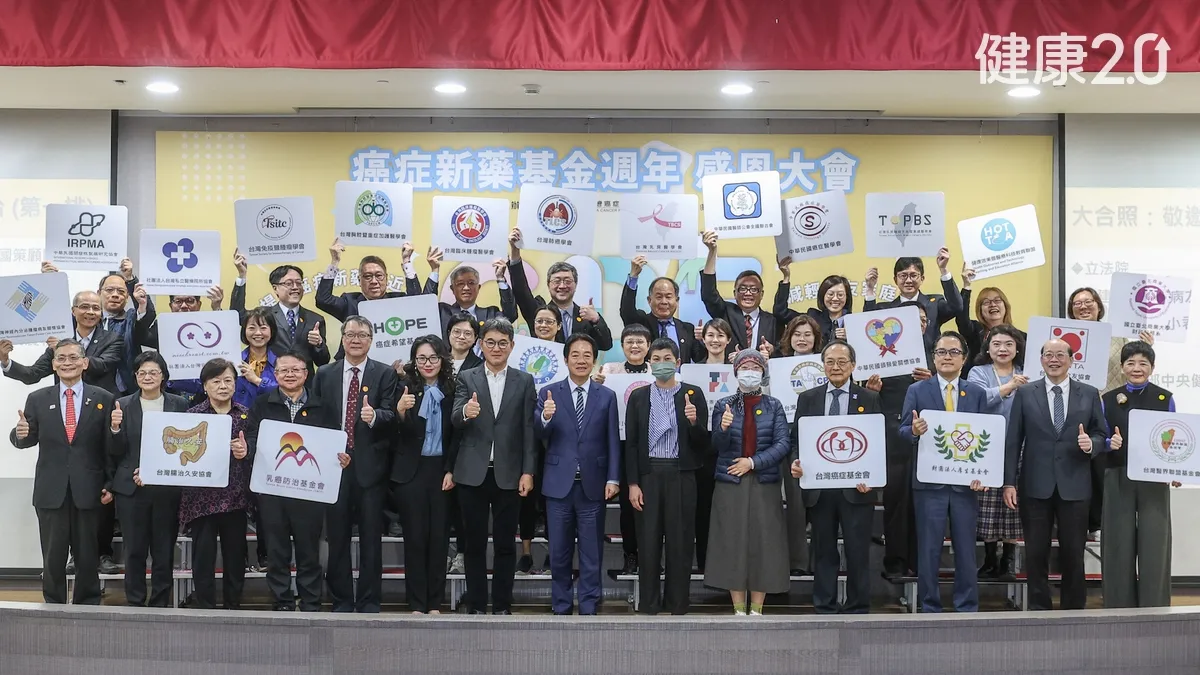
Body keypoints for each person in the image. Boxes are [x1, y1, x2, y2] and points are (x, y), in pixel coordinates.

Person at [2, 289, 125, 575]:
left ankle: (99, 561)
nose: (90, 312)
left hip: (95, 431)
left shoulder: (111, 340)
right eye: (84, 307)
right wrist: (5, 360)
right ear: (73, 311)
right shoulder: (44, 385)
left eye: (96, 307)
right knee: (55, 552)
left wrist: (67, 351)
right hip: (56, 467)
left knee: (91, 541)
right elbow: (32, 375)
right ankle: (60, 585)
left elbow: (102, 365)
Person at [1003, 337, 1108, 610]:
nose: (1054, 360)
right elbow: (1013, 439)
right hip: (1035, 485)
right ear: (1041, 360)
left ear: (1072, 360)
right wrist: (1008, 483)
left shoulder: (1089, 393)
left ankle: (1073, 609)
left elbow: (1101, 433)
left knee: (1073, 552)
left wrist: (1091, 444)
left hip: (1075, 485)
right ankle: (1039, 609)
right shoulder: (1026, 393)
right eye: (1048, 355)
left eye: (1060, 355)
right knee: (1036, 552)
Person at [9, 338, 116, 604]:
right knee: (53, 556)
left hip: (89, 489)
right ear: (54, 365)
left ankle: (87, 604)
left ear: (84, 362)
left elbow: (109, 448)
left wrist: (110, 483)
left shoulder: (103, 398)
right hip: (51, 490)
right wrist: (20, 434)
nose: (67, 363)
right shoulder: (37, 399)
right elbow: (26, 438)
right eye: (61, 358)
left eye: (73, 358)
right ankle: (53, 605)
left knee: (87, 555)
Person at [245, 348, 347, 612]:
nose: (289, 374)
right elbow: (253, 438)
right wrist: (247, 449)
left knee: (308, 550)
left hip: (309, 494)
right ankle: (282, 601)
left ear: (306, 373)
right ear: (275, 374)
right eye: (283, 370)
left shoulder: (323, 406)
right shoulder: (262, 404)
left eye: (295, 370)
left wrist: (342, 457)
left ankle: (311, 601)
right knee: (276, 550)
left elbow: (334, 442)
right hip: (272, 491)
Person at [449, 317, 537, 615]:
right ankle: (476, 604)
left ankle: (501, 604)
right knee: (473, 544)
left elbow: (528, 430)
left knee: (505, 544)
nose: (496, 348)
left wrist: (528, 471)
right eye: (490, 342)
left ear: (511, 346)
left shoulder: (524, 380)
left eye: (502, 343)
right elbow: (455, 419)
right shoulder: (467, 377)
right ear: (480, 345)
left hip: (509, 473)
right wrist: (466, 411)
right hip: (472, 472)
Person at [898, 331, 989, 613]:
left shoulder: (976, 393)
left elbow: (987, 436)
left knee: (966, 549)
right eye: (941, 352)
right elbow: (902, 431)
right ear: (933, 357)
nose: (947, 357)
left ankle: (967, 606)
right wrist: (913, 431)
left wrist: (984, 475)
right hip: (930, 484)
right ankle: (929, 607)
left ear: (964, 358)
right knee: (929, 549)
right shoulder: (917, 391)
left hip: (965, 485)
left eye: (953, 352)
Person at [313, 316, 398, 612]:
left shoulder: (385, 373)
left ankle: (369, 600)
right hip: (333, 467)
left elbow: (392, 414)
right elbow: (316, 416)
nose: (356, 340)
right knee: (337, 539)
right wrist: (328, 451)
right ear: (342, 339)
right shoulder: (325, 373)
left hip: (370, 469)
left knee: (371, 540)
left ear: (371, 340)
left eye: (362, 335)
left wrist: (374, 417)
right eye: (350, 335)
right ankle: (341, 600)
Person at [790, 340, 881, 614]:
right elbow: (797, 439)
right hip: (820, 489)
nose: (836, 367)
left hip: (857, 488)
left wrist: (873, 477)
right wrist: (796, 462)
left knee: (857, 552)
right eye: (830, 362)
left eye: (842, 362)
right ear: (823, 366)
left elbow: (877, 443)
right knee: (824, 551)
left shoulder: (869, 398)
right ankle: (824, 606)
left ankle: (857, 606)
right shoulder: (808, 398)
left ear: (853, 366)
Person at [536, 334, 620, 615]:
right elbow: (538, 433)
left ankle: (589, 606)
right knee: (559, 552)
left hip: (593, 486)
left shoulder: (606, 396)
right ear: (566, 359)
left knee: (591, 552)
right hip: (558, 486)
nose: (581, 360)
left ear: (594, 360)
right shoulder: (548, 393)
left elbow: (612, 440)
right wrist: (546, 416)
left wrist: (613, 478)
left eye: (587, 355)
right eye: (575, 354)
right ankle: (560, 606)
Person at [625, 338, 709, 615]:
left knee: (680, 542)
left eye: (667, 359)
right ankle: (649, 604)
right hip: (648, 474)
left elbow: (703, 444)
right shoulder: (639, 396)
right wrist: (633, 483)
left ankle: (678, 603)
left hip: (681, 475)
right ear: (649, 363)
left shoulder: (693, 394)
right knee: (648, 542)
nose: (662, 364)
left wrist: (694, 422)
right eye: (657, 359)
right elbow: (631, 443)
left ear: (678, 362)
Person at [705, 349, 790, 615]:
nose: (750, 372)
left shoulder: (774, 405)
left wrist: (753, 462)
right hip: (730, 482)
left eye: (755, 367)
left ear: (763, 372)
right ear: (736, 372)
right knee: (731, 541)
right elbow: (716, 445)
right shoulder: (724, 404)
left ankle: (757, 609)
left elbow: (783, 443)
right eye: (745, 367)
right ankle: (738, 608)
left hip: (764, 481)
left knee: (765, 542)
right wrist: (723, 428)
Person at [1067, 286, 1154, 539]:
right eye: (1077, 303)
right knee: (1075, 465)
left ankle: (1100, 523)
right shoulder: (1063, 336)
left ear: (1099, 306)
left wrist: (1146, 346)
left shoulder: (1118, 336)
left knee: (1103, 466)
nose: (1083, 306)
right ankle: (1076, 523)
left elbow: (1134, 366)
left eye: (1089, 301)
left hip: (1110, 407)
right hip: (1074, 407)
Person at [109, 351, 190, 607]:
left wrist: (155, 471)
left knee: (163, 550)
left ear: (163, 376)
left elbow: (184, 443)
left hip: (166, 489)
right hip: (131, 489)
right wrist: (114, 429)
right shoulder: (121, 404)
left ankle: (160, 603)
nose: (147, 377)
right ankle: (135, 601)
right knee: (134, 550)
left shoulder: (179, 404)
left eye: (153, 372)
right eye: (142, 373)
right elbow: (114, 450)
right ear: (135, 376)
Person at [1101, 341, 1177, 608]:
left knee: (1155, 542)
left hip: (1154, 477)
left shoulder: (1164, 398)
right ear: (1122, 367)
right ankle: (1117, 606)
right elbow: (1101, 437)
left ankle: (1155, 607)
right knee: (1117, 541)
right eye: (1131, 363)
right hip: (1117, 473)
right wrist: (1109, 442)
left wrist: (1176, 468)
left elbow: (1175, 437)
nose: (1137, 368)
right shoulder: (1108, 399)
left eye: (1143, 363)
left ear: (1152, 368)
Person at [179, 358, 252, 610]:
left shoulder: (246, 415)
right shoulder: (192, 416)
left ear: (236, 384)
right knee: (203, 557)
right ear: (205, 386)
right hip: (201, 499)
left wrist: (246, 450)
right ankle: (205, 606)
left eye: (228, 380)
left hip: (236, 497)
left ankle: (233, 605)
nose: (223, 386)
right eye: (216, 381)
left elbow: (257, 449)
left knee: (235, 556)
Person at [392, 336, 458, 614]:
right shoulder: (403, 387)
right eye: (421, 358)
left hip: (442, 471)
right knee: (415, 539)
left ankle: (435, 602)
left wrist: (451, 469)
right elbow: (394, 434)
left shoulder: (454, 389)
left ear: (442, 359)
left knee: (438, 540)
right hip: (412, 472)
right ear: (414, 361)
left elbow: (458, 434)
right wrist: (400, 412)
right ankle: (416, 602)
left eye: (433, 358)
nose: (427, 363)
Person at [966, 325, 1027, 580]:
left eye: (1008, 344)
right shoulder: (978, 372)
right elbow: (977, 399)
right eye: (997, 344)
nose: (1003, 349)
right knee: (987, 503)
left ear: (1017, 348)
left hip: (1020, 444)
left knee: (1014, 502)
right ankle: (990, 558)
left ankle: (1009, 560)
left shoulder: (1026, 372)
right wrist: (1010, 386)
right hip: (986, 444)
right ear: (988, 348)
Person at [596, 323, 653, 576]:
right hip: (618, 445)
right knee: (628, 507)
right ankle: (630, 555)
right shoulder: (610, 370)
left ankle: (651, 557)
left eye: (640, 341)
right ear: (622, 346)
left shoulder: (657, 371)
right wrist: (596, 385)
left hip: (652, 447)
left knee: (651, 506)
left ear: (648, 346)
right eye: (629, 341)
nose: (635, 346)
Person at [770, 313, 824, 577]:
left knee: (819, 502)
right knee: (794, 502)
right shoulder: (777, 366)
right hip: (786, 438)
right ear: (788, 338)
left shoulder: (827, 364)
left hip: (820, 438)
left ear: (816, 339)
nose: (802, 339)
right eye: (797, 334)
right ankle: (796, 562)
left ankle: (820, 561)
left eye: (807, 335)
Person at [507, 230, 613, 350]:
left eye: (567, 281)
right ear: (548, 285)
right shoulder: (539, 312)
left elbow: (606, 345)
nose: (562, 286)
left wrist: (596, 319)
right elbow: (521, 291)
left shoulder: (585, 316)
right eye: (557, 281)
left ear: (576, 284)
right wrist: (515, 251)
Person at [234, 307, 279, 572]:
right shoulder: (232, 357)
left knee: (265, 499)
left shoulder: (281, 361)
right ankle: (238, 556)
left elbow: (288, 389)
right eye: (252, 327)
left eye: (263, 327)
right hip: (235, 433)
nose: (257, 332)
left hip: (268, 436)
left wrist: (257, 380)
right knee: (236, 498)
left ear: (271, 331)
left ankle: (265, 555)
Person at [231, 256, 331, 373]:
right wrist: (242, 276)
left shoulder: (315, 319)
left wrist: (319, 344)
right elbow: (237, 314)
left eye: (299, 283)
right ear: (275, 288)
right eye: (289, 283)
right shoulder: (265, 316)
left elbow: (323, 361)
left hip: (305, 382)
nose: (295, 287)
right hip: (270, 378)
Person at [315, 239, 422, 336]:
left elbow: (418, 302)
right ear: (359, 280)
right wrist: (334, 261)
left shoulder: (397, 300)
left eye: (379, 276)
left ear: (386, 279)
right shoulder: (350, 303)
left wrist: (406, 261)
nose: (374, 281)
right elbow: (323, 300)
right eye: (368, 276)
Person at [699, 232, 782, 353]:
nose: (748, 293)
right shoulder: (726, 312)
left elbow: (782, 351)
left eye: (754, 289)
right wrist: (712, 251)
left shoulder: (772, 321)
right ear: (735, 293)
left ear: (762, 294)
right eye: (742, 289)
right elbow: (709, 294)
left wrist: (772, 350)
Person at [421, 246, 517, 337]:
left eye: (471, 283)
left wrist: (500, 278)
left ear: (478, 288)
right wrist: (435, 270)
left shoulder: (491, 313)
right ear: (452, 289)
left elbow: (510, 316)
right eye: (460, 284)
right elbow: (425, 308)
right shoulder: (443, 312)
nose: (466, 288)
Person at [620, 256, 699, 363]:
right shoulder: (641, 323)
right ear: (649, 300)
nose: (664, 301)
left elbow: (700, 358)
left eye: (668, 297)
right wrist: (633, 276)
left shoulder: (687, 329)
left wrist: (702, 340)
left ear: (677, 300)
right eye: (659, 297)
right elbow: (627, 310)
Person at [93, 261, 156, 395]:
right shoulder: (88, 320)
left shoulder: (130, 318)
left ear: (127, 297)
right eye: (109, 290)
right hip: (94, 389)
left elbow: (147, 315)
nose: (115, 295)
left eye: (121, 292)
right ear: (98, 293)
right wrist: (52, 279)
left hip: (127, 390)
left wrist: (130, 279)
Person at [956, 272, 1025, 375]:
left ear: (1005, 306)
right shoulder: (975, 331)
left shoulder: (1022, 337)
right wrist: (966, 286)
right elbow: (961, 318)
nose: (993, 305)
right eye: (986, 302)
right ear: (980, 310)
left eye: (997, 301)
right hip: (977, 381)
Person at [775, 262, 852, 345]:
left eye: (840, 295)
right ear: (823, 296)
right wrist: (786, 277)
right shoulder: (813, 317)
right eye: (830, 294)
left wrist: (852, 337)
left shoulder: (854, 322)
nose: (835, 298)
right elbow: (781, 313)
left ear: (847, 297)